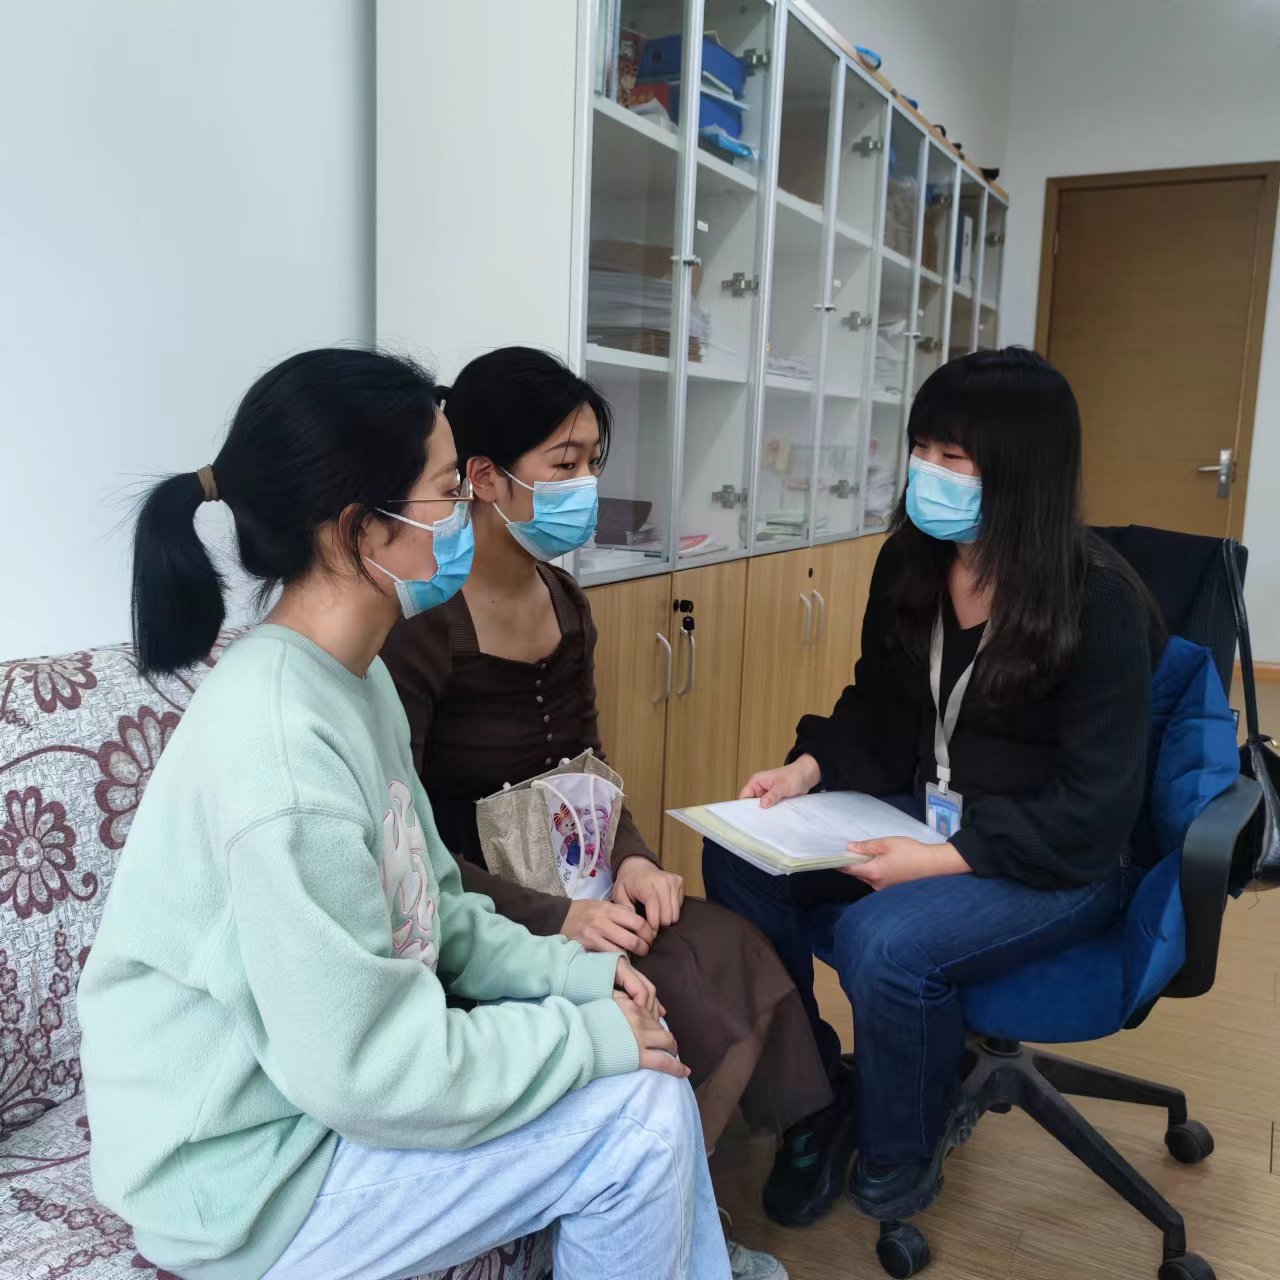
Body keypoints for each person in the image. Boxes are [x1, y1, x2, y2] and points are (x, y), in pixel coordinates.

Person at [78, 348, 731, 1280]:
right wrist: (586, 1038)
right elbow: (369, 1069)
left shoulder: (356, 682)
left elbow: (437, 910)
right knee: (639, 1117)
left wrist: (581, 977)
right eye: (449, 493)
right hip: (240, 1181)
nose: (469, 514)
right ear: (361, 532)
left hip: (307, 1109)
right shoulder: (283, 755)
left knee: (644, 1071)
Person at [378, 347, 843, 1272]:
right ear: (484, 478)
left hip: (585, 886)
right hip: (490, 913)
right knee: (671, 995)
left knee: (737, 951)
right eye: (564, 463)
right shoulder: (424, 625)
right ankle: (654, 1222)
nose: (587, 485)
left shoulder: (563, 599)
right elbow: (412, 845)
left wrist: (631, 857)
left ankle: (672, 1216)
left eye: (594, 460)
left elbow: (590, 766)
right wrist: (559, 919)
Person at [704, 347, 1162, 1224]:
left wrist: (940, 861)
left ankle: (900, 1154)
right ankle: (813, 1095)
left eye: (955, 457)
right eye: (921, 449)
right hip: (927, 814)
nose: (927, 473)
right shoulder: (912, 565)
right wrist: (807, 770)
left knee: (883, 940)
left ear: (1023, 473)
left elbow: (1096, 808)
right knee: (740, 857)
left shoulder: (1098, 603)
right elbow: (879, 705)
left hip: (1053, 856)